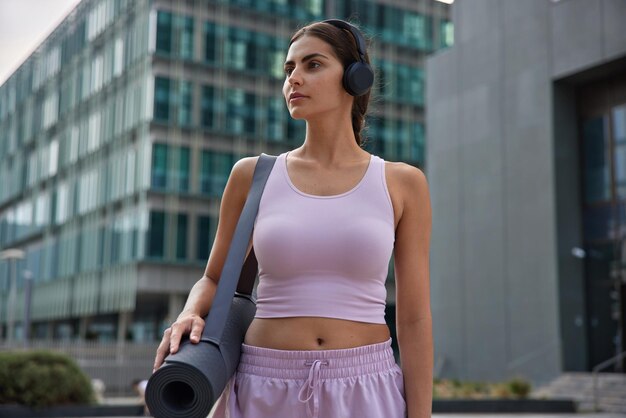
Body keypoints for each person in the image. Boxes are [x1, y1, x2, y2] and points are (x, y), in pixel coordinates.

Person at [153, 19, 432, 418]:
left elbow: (415, 317)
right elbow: (215, 278)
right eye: (288, 70)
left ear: (355, 78)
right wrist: (189, 312)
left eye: (312, 65)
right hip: (263, 386)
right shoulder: (252, 176)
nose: (294, 79)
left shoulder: (403, 183)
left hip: (367, 389)